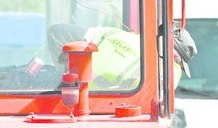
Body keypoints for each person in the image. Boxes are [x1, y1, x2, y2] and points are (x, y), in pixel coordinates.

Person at [47, 23, 196, 89]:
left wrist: (65, 75)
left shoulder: (113, 34)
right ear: (171, 50)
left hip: (71, 99)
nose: (178, 64)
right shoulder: (171, 69)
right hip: (113, 112)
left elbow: (56, 32)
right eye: (179, 59)